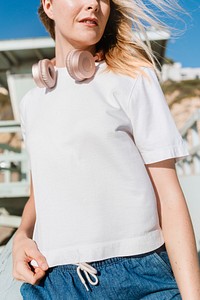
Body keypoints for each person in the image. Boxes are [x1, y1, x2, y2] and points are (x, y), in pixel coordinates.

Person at [12, 0, 200, 299]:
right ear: (48, 5)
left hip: (139, 276)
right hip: (54, 281)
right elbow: (40, 193)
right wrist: (21, 237)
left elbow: (169, 195)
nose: (93, 5)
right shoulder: (31, 103)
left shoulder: (132, 78)